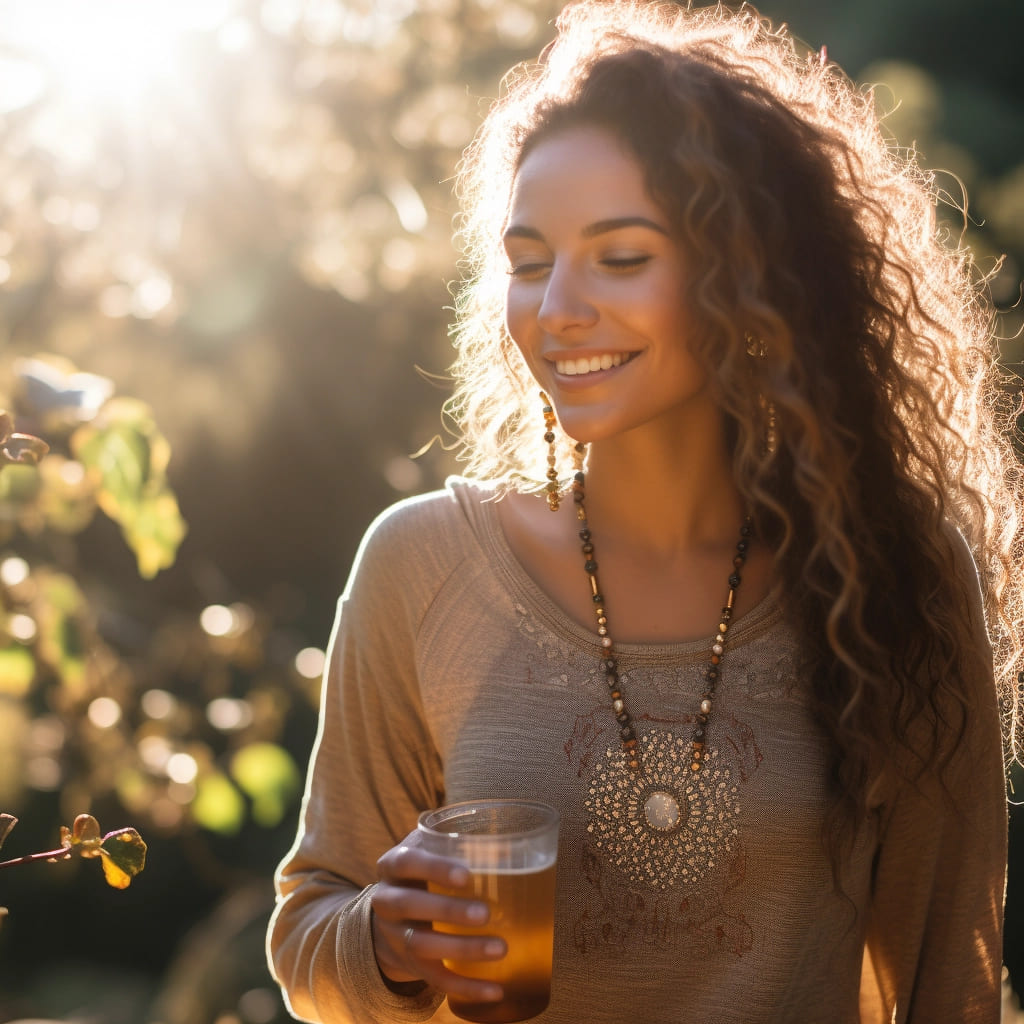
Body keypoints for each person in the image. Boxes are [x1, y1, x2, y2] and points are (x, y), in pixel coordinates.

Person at [267, 2, 1024, 1021]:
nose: (558, 307)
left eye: (620, 257)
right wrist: (385, 938)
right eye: (529, 262)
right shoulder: (422, 564)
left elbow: (950, 984)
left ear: (751, 279)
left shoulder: (898, 575)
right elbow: (312, 933)